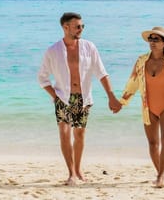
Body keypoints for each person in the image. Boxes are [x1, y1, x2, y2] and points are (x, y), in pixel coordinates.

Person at [38, 12, 121, 186]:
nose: (81, 29)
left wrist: (111, 96)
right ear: (65, 27)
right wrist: (55, 97)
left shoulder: (89, 47)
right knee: (64, 133)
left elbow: (102, 73)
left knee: (80, 134)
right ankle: (71, 173)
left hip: (83, 97)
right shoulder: (53, 51)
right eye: (77, 26)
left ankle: (78, 168)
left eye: (82, 26)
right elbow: (42, 78)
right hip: (63, 98)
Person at [116, 26, 164, 188]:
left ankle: (161, 175)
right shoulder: (141, 61)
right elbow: (133, 83)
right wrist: (122, 102)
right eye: (151, 39)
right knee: (153, 143)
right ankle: (159, 173)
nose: (153, 42)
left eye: (156, 39)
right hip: (149, 107)